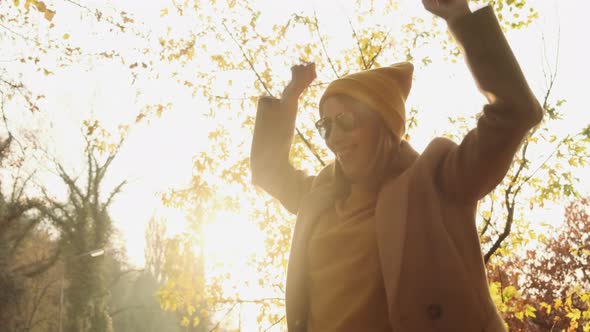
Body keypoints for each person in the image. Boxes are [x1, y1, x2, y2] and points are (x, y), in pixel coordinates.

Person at [250, 0, 543, 331]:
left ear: (384, 123)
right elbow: (268, 170)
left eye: (345, 120)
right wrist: (289, 100)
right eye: (325, 126)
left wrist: (461, 19)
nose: (334, 137)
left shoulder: (435, 181)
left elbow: (515, 112)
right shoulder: (320, 196)